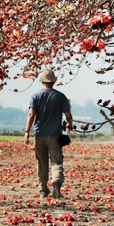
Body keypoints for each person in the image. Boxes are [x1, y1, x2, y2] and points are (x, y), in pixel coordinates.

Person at [24, 69, 74, 199]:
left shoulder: (35, 96)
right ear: (53, 82)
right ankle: (56, 179)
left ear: (42, 81)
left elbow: (31, 114)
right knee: (56, 161)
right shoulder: (60, 96)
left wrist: (27, 132)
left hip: (39, 135)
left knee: (42, 162)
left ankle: (43, 190)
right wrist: (70, 124)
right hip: (54, 135)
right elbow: (68, 115)